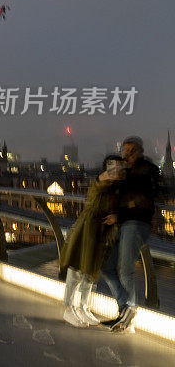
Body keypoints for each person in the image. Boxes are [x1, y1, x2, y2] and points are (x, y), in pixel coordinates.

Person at [101, 136, 161, 332]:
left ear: (138, 151)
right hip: (125, 223)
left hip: (135, 224)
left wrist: (120, 213)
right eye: (124, 152)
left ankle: (129, 312)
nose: (125, 155)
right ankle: (124, 310)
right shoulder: (125, 172)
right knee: (108, 267)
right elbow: (124, 199)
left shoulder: (146, 170)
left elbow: (140, 203)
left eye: (129, 151)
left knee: (124, 269)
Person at [59, 154, 123, 327]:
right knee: (77, 269)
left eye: (119, 168)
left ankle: (83, 307)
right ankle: (69, 308)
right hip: (86, 230)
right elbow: (97, 185)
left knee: (90, 272)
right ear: (106, 169)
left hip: (100, 232)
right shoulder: (100, 182)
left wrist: (116, 217)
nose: (117, 171)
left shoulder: (115, 189)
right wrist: (107, 175)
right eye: (113, 167)